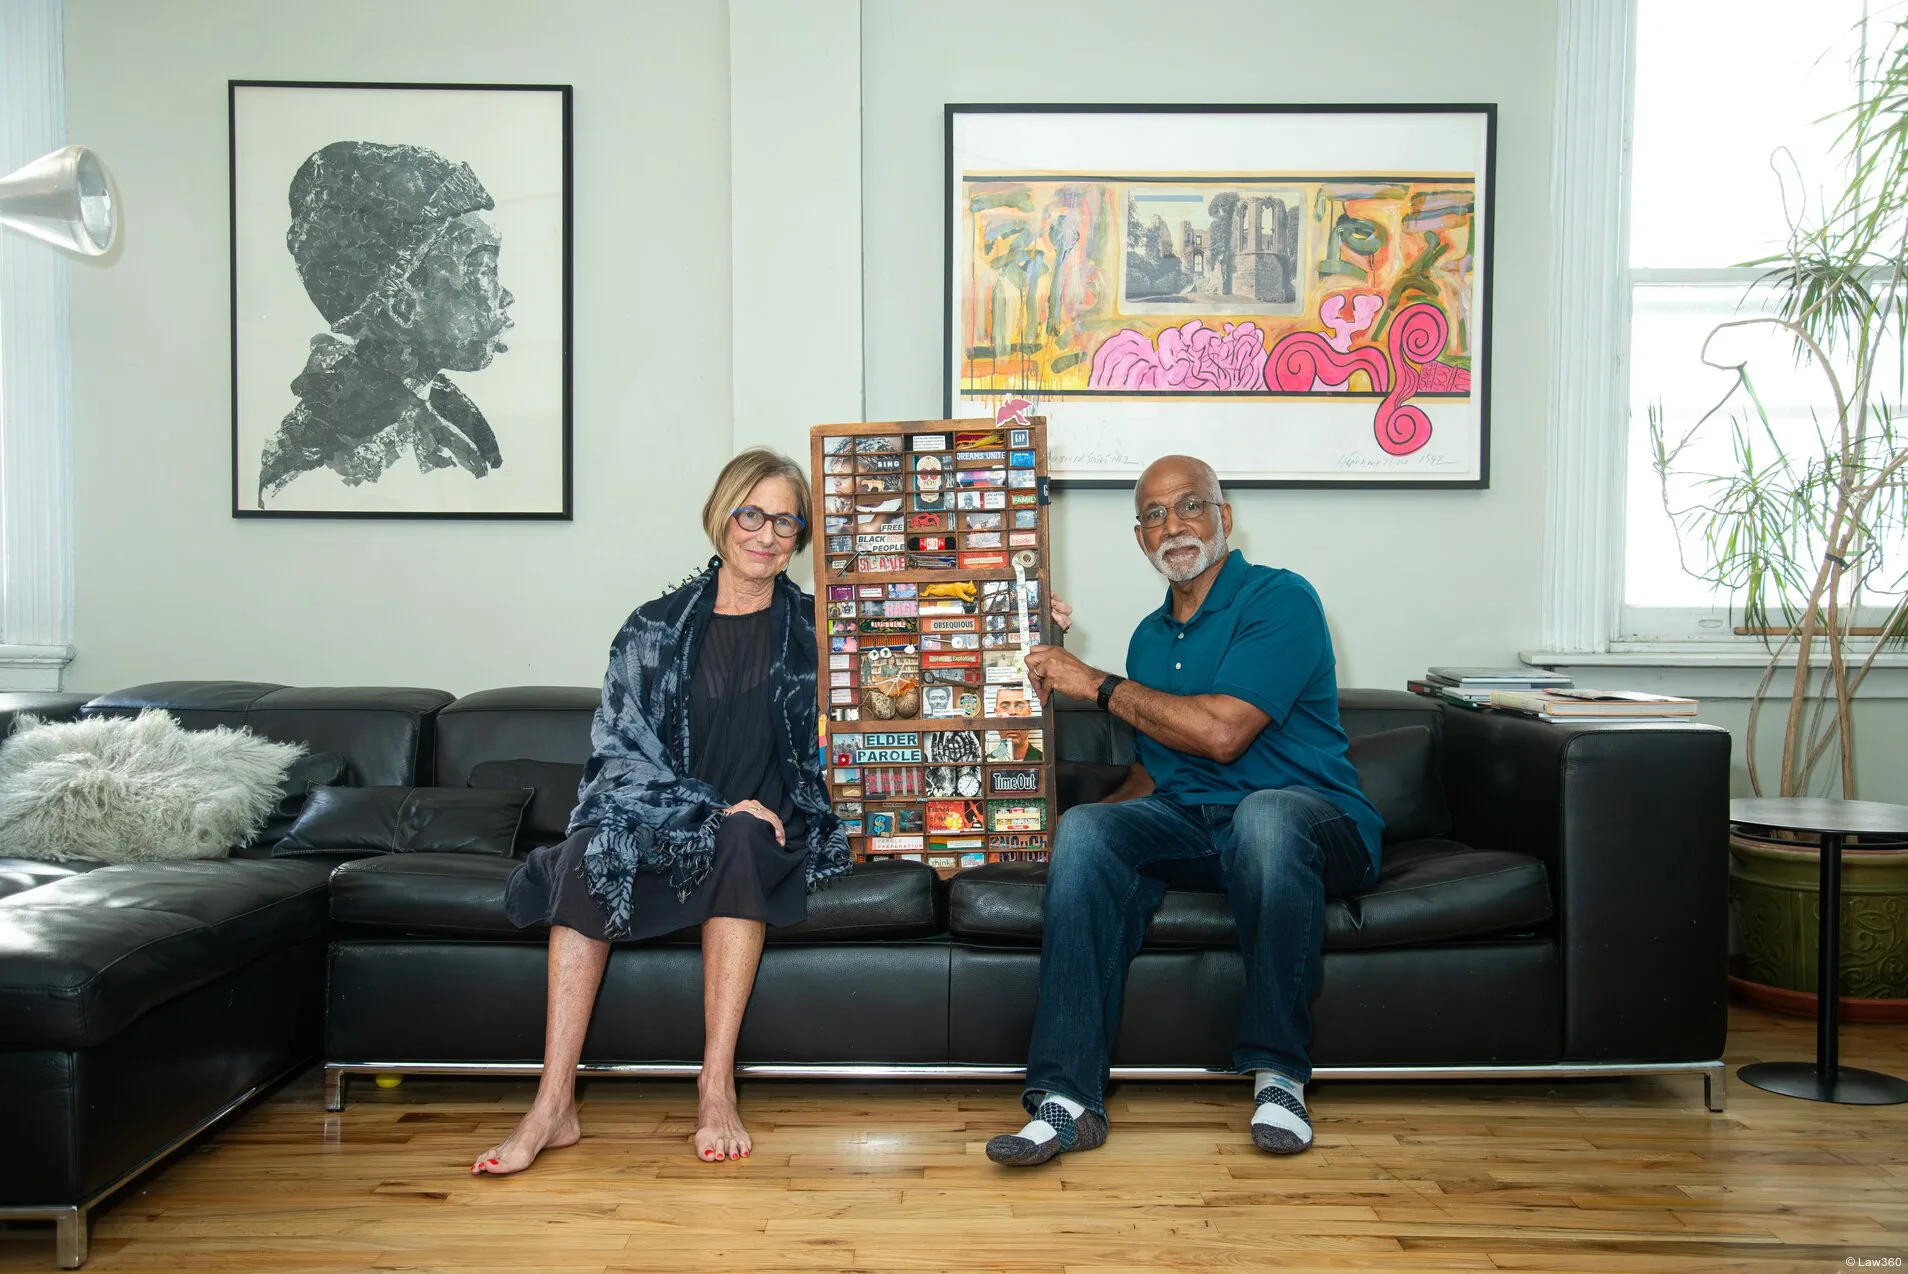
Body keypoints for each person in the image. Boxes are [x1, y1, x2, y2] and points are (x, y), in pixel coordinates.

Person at [985, 454, 1383, 1166]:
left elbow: (1222, 735)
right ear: (1142, 539)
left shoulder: (1281, 599)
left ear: (1224, 518)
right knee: (1088, 831)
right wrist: (1072, 835)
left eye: (1190, 505)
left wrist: (1096, 683)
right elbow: (1157, 770)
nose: (1174, 526)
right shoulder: (1148, 638)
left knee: (1265, 816)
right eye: (1155, 515)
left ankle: (1279, 1075)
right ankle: (1068, 1098)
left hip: (1316, 825)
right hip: (1202, 825)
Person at [474, 449, 851, 1174]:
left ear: (801, 538)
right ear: (722, 515)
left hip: (766, 826)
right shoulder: (652, 629)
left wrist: (1036, 625)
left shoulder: (821, 630)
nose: (766, 535)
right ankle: (552, 1104)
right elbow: (618, 755)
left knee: (743, 832)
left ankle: (716, 1085)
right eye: (752, 514)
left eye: (785, 522)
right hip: (663, 824)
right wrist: (706, 806)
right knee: (589, 853)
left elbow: (929, 659)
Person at [259, 140, 515, 505]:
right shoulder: (347, 467)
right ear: (402, 306)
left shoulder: (443, 410)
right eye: (481, 271)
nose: (504, 296)